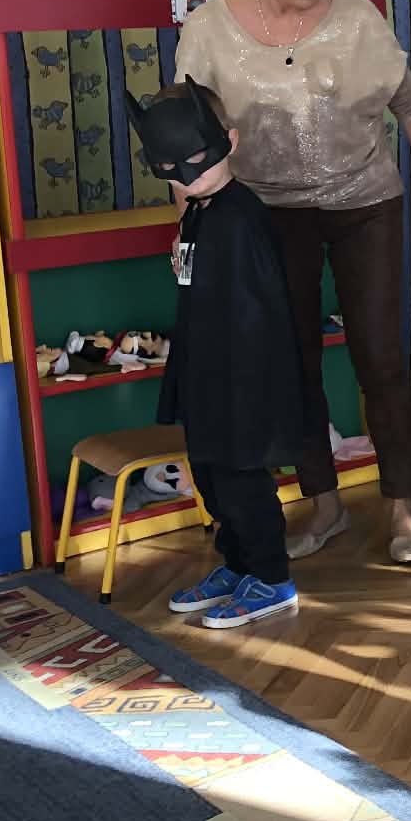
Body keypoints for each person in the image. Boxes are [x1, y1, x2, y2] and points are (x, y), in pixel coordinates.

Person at [177, 0, 411, 566]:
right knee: (293, 362)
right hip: (267, 216)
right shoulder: (210, 30)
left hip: (365, 203)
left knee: (381, 356)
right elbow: (190, 137)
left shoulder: (357, 18)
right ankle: (326, 505)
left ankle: (402, 509)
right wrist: (189, 229)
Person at [136, 82, 306, 630]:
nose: (186, 176)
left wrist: (245, 386)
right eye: (169, 167)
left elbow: (260, 311)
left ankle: (272, 579)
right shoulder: (200, 212)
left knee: (241, 478)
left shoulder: (239, 217)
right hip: (206, 367)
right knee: (210, 475)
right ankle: (238, 565)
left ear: (229, 142)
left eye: (195, 159)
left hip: (242, 376)